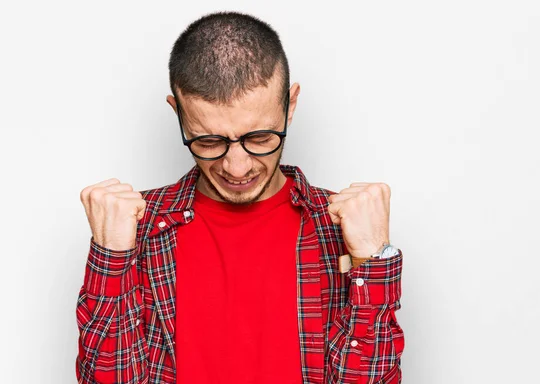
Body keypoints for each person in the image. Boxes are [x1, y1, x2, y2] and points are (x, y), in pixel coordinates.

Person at [76, 11, 404, 384]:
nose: (236, 167)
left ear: (290, 106)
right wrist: (112, 258)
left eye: (260, 137)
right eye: (209, 141)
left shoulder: (343, 229)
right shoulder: (136, 228)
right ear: (178, 114)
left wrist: (371, 261)